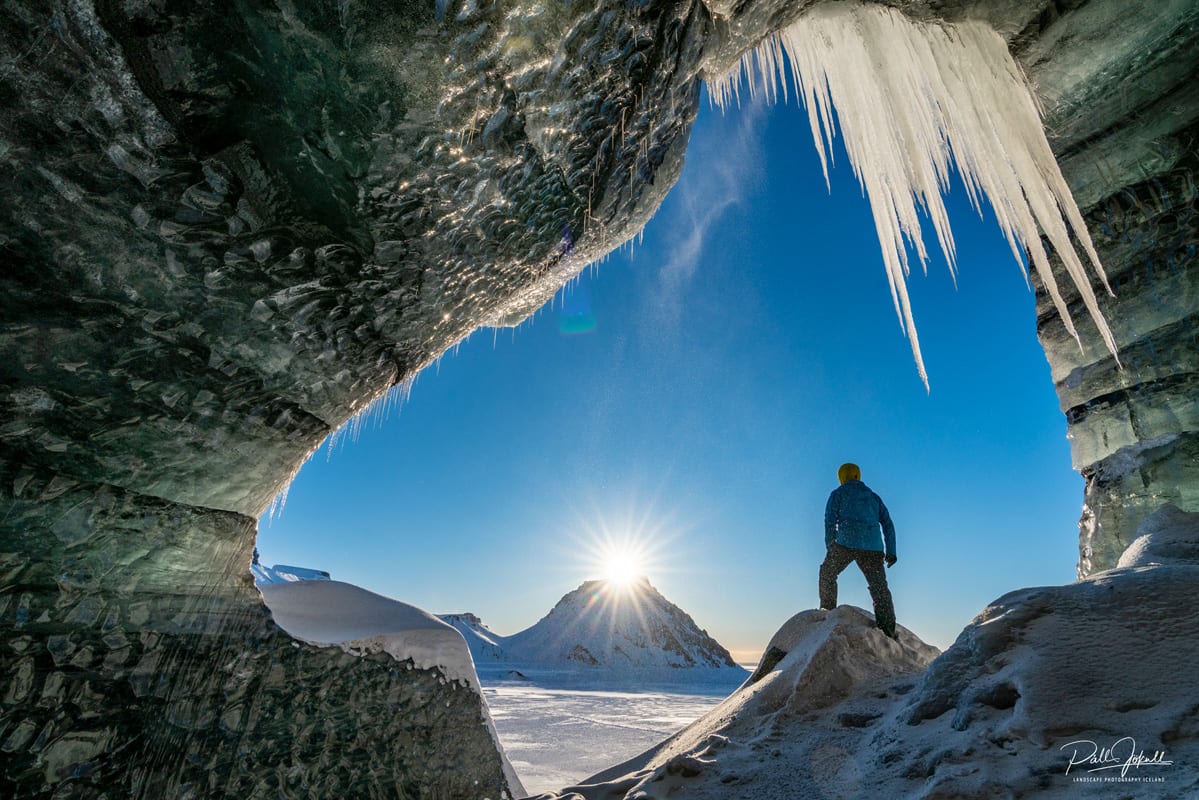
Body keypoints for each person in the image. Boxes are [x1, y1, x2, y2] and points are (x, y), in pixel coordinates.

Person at [820, 462, 898, 638]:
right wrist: (891, 550)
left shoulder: (838, 493)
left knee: (827, 573)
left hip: (845, 543)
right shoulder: (873, 497)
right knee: (879, 589)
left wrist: (830, 544)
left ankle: (827, 611)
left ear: (842, 477)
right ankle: (888, 631)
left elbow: (829, 520)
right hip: (873, 547)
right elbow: (887, 523)